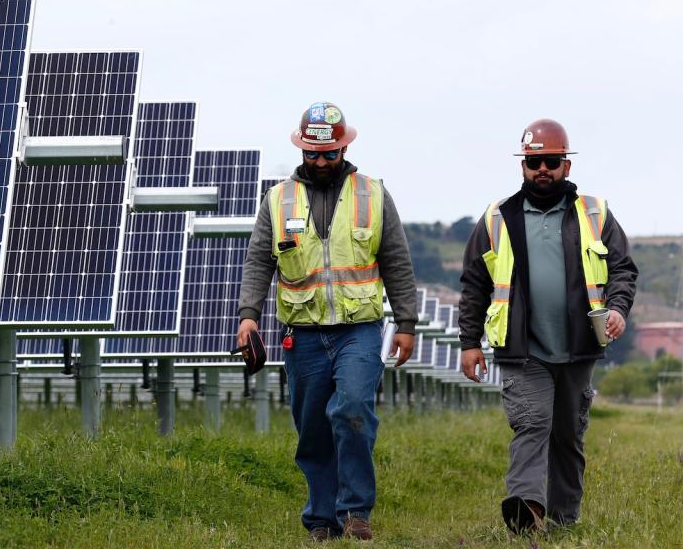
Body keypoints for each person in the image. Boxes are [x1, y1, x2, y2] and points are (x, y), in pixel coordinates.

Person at [237, 102, 418, 542]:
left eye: (330, 154)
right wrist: (248, 317)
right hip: (303, 333)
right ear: (302, 150)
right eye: (313, 154)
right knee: (313, 426)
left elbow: (396, 260)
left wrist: (408, 323)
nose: (321, 162)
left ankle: (356, 510)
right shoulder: (278, 199)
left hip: (359, 328)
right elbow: (259, 261)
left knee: (353, 409)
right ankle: (321, 518)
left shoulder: (372, 194)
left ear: (344, 148)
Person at [458, 118, 638, 534]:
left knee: (567, 436)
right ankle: (527, 510)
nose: (542, 169)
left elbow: (623, 270)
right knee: (531, 424)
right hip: (524, 349)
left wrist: (617, 309)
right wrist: (469, 343)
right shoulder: (497, 218)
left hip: (579, 346)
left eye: (551, 161)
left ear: (566, 166)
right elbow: (473, 283)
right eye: (533, 161)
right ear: (523, 165)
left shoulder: (595, 213)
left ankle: (564, 518)